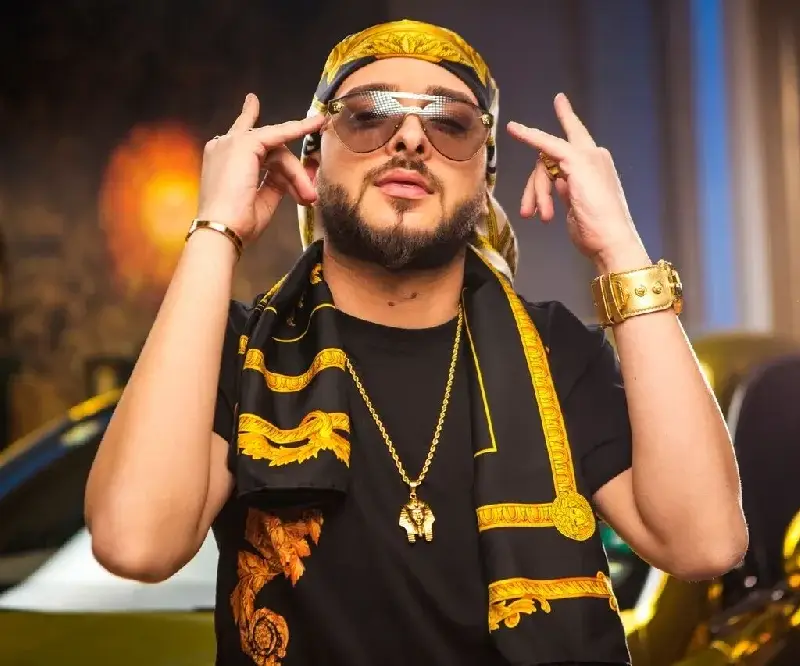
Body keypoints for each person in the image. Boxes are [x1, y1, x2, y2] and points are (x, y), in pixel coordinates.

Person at [85, 19, 748, 666]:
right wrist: (216, 230)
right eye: (369, 116)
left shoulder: (553, 351)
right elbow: (136, 544)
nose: (408, 138)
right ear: (312, 158)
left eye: (450, 123)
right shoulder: (242, 349)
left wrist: (620, 246)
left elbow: (704, 543)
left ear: (485, 179)